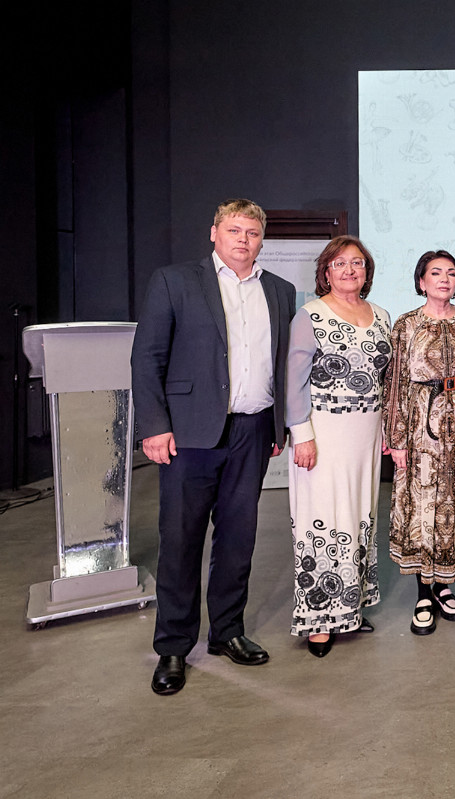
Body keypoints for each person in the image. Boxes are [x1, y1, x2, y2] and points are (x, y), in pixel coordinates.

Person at [131, 199, 296, 695]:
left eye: (252, 232)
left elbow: (282, 362)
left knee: (238, 539)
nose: (243, 239)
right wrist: (154, 426)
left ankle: (227, 632)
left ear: (262, 239)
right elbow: (147, 356)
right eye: (234, 230)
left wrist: (278, 427)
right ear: (214, 233)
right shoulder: (174, 281)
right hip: (189, 435)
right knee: (180, 541)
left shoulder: (280, 290)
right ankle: (173, 647)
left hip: (253, 431)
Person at [286, 235, 391, 657]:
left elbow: (384, 380)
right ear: (325, 272)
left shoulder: (380, 315)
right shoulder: (310, 315)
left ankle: (349, 607)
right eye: (340, 263)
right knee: (324, 520)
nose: (350, 270)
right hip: (323, 433)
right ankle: (319, 619)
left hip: (366, 433)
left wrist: (387, 430)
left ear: (367, 271)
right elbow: (293, 381)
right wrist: (302, 435)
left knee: (359, 516)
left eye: (357, 263)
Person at [384, 250, 455, 637]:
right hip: (420, 425)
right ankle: (423, 593)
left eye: (451, 273)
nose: (444, 279)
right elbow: (395, 383)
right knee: (422, 506)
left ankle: (445, 586)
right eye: (436, 273)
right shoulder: (406, 324)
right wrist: (396, 438)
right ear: (421, 281)